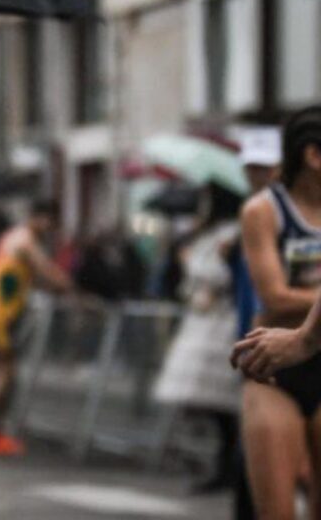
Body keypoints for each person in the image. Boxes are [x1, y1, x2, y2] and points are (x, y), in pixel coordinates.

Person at [230, 107, 321, 519]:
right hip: (276, 367)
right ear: (313, 156)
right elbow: (275, 296)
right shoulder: (264, 210)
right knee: (278, 512)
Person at [151, 183, 244, 493]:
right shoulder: (207, 234)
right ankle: (222, 464)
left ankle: (230, 467)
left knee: (225, 406)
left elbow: (218, 275)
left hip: (221, 324)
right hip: (205, 320)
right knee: (213, 407)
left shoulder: (232, 233)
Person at [0, 198, 72, 456]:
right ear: (41, 217)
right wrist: (72, 288)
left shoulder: (16, 238)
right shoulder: (25, 239)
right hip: (1, 313)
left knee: (7, 371)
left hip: (2, 311)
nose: (51, 228)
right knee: (5, 372)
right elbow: (48, 272)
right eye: (51, 222)